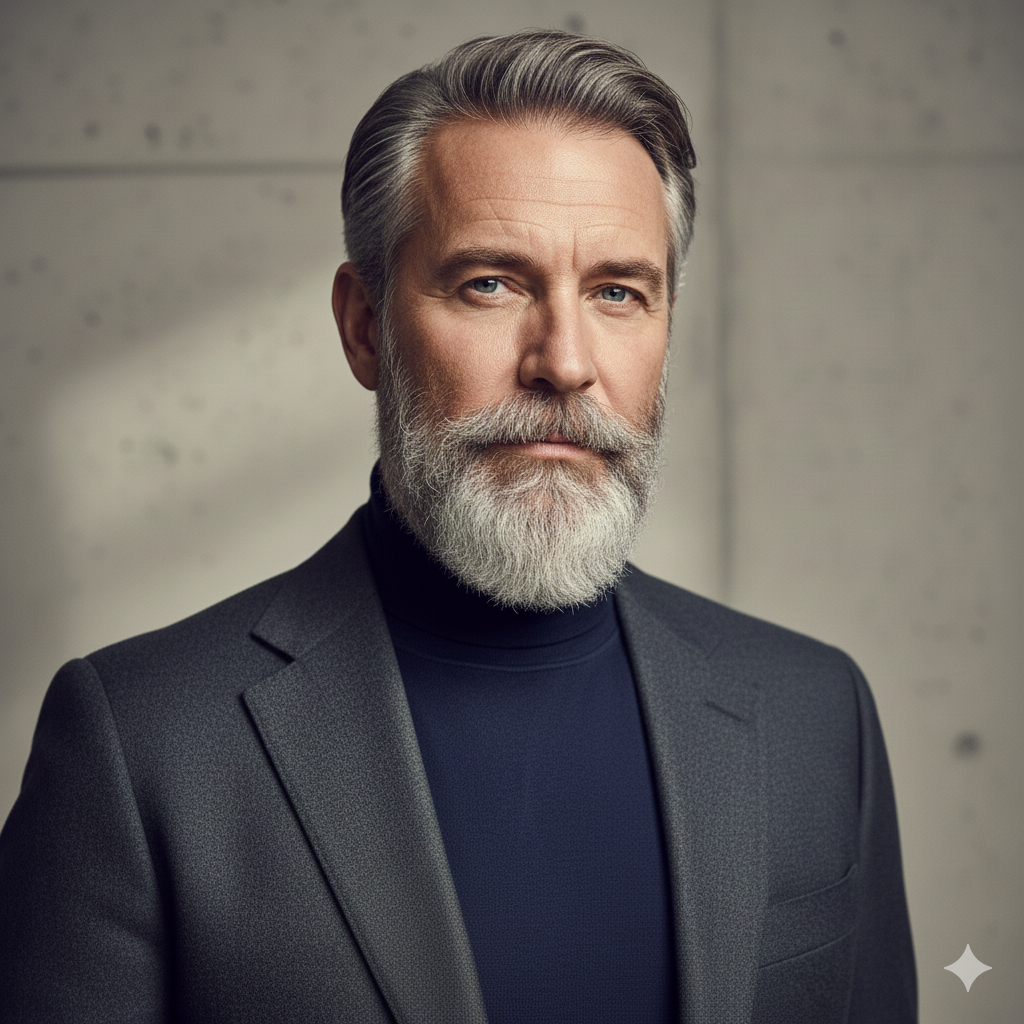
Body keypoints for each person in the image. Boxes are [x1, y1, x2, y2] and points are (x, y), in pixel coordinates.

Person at [0, 29, 916, 1023]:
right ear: (364, 326)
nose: (563, 361)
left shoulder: (816, 716)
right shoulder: (139, 743)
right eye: (491, 282)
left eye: (617, 291)